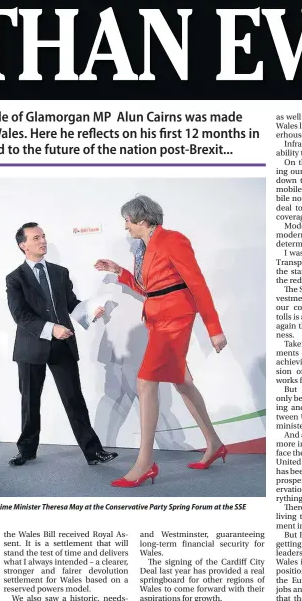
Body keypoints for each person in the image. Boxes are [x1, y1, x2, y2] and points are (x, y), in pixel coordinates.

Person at [95, 196, 228, 488]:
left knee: (145, 383)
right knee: (182, 382)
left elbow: (197, 283)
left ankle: (144, 463)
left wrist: (213, 328)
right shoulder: (142, 250)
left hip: (176, 319)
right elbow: (148, 288)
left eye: (127, 221)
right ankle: (214, 443)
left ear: (142, 219)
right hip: (157, 320)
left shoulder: (173, 240)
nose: (125, 227)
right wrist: (120, 272)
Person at [6, 222, 118, 468]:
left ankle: (93, 451)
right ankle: (26, 451)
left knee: (74, 399)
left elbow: (71, 304)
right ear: (23, 245)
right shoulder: (15, 278)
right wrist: (50, 329)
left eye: (43, 236)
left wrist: (89, 313)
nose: (42, 241)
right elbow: (20, 315)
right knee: (30, 401)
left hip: (62, 345)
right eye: (36, 238)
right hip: (31, 347)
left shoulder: (60, 272)